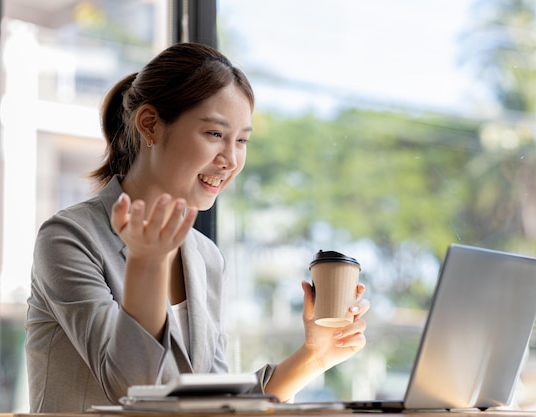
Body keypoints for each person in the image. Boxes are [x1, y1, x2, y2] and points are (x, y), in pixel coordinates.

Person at [25, 42, 371, 413]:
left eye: (241, 141)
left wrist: (313, 357)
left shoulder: (205, 256)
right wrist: (148, 263)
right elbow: (131, 387)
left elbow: (212, 404)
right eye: (214, 134)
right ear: (150, 125)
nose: (231, 160)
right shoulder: (69, 238)